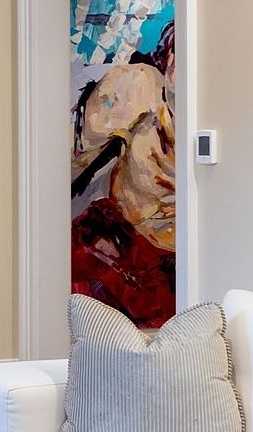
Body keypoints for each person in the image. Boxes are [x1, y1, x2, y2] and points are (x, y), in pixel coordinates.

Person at [70, 21, 175, 327]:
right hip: (118, 245)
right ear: (168, 58)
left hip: (179, 265)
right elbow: (70, 163)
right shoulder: (138, 88)